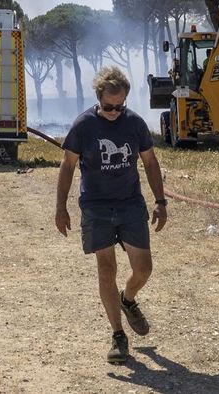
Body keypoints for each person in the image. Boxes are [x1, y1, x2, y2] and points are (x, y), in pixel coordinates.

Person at [54, 66, 167, 365]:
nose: (114, 111)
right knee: (106, 270)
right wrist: (60, 207)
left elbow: (150, 162)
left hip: (130, 204)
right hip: (96, 207)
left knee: (143, 269)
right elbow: (67, 166)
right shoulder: (83, 126)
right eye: (108, 107)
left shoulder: (135, 124)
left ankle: (127, 299)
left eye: (120, 106)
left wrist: (160, 201)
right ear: (98, 99)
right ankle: (118, 336)